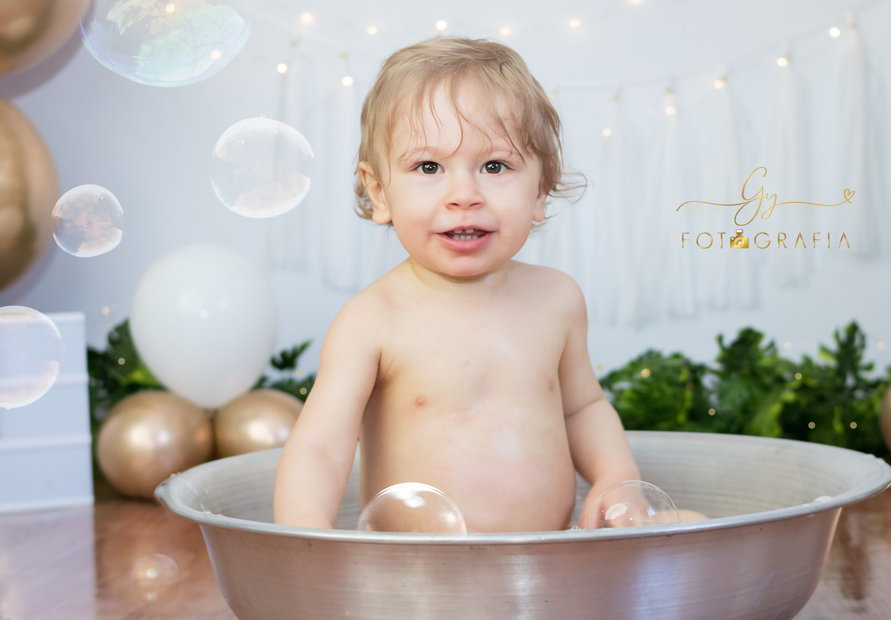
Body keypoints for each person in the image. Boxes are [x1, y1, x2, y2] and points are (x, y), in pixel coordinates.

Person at [272, 36, 703, 532]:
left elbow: (583, 409)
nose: (464, 195)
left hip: (550, 555)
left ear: (540, 190)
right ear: (379, 193)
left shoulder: (557, 300)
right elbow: (321, 447)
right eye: (429, 167)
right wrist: (307, 532)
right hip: (416, 564)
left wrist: (616, 479)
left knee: (692, 527)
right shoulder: (373, 320)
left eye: (494, 166)